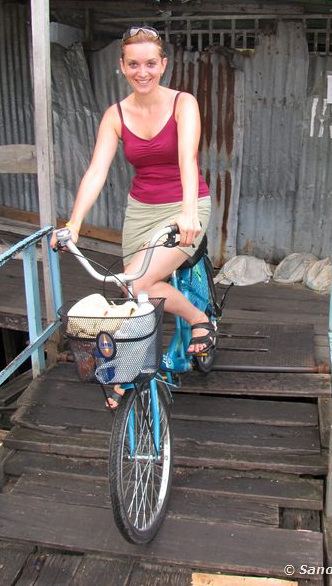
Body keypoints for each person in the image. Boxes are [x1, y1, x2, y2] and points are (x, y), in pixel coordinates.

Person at [51, 26, 214, 404]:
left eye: (151, 64)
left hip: (185, 204)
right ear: (122, 66)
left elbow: (188, 159)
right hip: (141, 209)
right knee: (133, 286)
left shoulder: (183, 103)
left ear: (163, 65)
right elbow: (96, 171)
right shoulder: (115, 115)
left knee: (139, 285)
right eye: (134, 64)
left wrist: (188, 213)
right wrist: (73, 223)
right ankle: (127, 372)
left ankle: (197, 319)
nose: (143, 72)